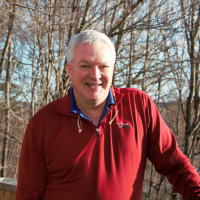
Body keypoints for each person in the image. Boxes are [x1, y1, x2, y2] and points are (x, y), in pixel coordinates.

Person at [16, 30, 200, 200]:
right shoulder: (43, 123)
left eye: (103, 66)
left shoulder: (139, 106)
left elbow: (176, 166)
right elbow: (28, 194)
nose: (95, 76)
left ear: (112, 69)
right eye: (85, 66)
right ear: (69, 70)